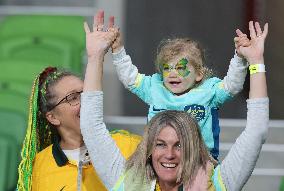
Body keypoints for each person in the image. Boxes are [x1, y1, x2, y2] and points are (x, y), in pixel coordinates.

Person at [81, 10, 269, 191]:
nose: (169, 155)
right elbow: (128, 80)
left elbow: (235, 91)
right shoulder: (131, 184)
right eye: (160, 144)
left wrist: (248, 60)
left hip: (203, 162)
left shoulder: (211, 183)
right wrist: (107, 54)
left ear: (199, 74)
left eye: (179, 145)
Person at [110, 17, 251, 160]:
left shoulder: (209, 90)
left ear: (199, 74)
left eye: (180, 68)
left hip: (199, 161)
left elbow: (233, 86)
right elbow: (130, 79)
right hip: (160, 161)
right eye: (167, 68)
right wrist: (117, 50)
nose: (172, 74)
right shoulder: (155, 87)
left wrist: (239, 58)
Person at [16, 66, 141, 191]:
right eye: (73, 98)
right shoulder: (38, 167)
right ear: (52, 117)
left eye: (86, 94)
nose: (86, 102)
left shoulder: (131, 146)